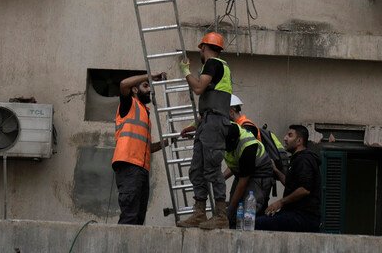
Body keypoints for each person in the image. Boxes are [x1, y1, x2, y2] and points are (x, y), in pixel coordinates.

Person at [175, 31, 232, 230]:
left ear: (203, 47)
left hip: (214, 124)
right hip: (209, 122)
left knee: (211, 169)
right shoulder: (218, 66)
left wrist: (185, 72)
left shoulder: (213, 63)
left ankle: (220, 215)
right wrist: (194, 125)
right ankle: (200, 212)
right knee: (197, 169)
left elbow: (198, 88)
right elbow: (212, 103)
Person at [112, 71, 163, 225]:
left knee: (139, 218)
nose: (149, 90)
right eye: (146, 86)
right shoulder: (129, 105)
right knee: (130, 216)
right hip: (129, 166)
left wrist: (170, 141)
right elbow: (123, 84)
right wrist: (150, 76)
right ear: (134, 89)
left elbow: (148, 148)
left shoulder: (144, 113)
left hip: (141, 169)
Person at [256, 124, 321, 233]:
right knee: (262, 220)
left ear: (299, 141)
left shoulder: (304, 160)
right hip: (294, 214)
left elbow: (304, 189)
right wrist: (276, 170)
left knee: (257, 224)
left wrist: (280, 203)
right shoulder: (297, 159)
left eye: (290, 135)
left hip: (303, 217)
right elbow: (291, 185)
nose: (285, 138)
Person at [222, 119, 268, 227]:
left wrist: (229, 211)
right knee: (235, 212)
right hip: (241, 171)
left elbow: (242, 184)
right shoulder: (222, 128)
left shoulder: (248, 145)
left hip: (260, 174)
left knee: (248, 213)